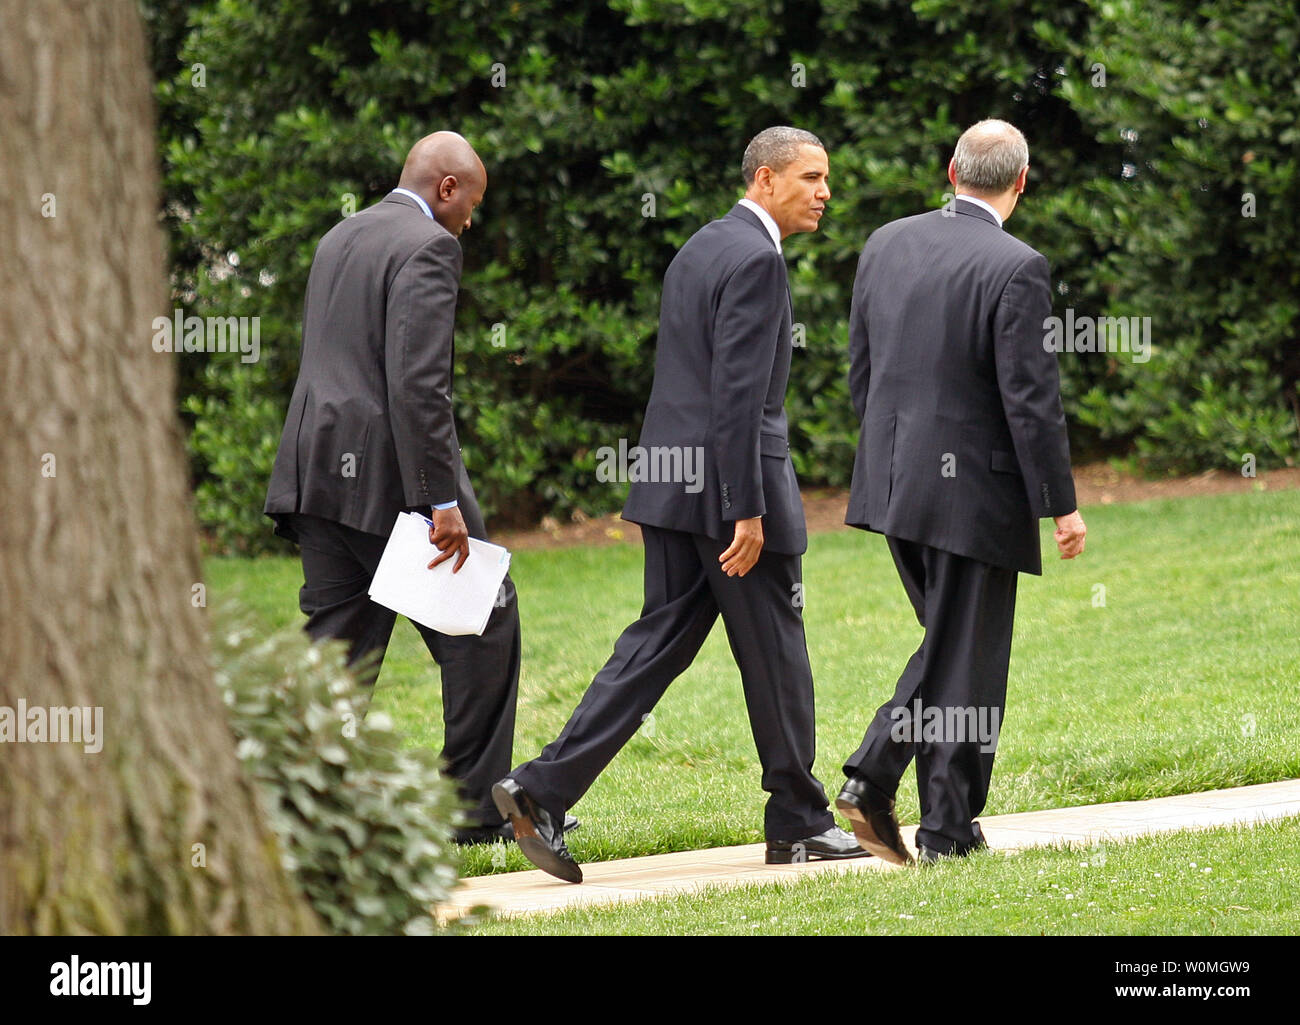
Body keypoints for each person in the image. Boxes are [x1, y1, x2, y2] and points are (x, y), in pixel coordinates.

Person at [492, 126, 867, 883]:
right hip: (730, 498)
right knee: (777, 654)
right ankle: (798, 819)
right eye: (810, 177)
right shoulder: (757, 258)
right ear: (765, 179)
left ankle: (541, 787)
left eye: (826, 178)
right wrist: (747, 509)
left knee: (656, 642)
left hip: (670, 486)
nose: (824, 192)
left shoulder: (700, 245)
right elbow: (736, 395)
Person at [834, 119, 1088, 865]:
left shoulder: (886, 241)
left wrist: (888, 457)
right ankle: (874, 775)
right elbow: (1030, 400)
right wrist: (1061, 503)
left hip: (895, 484)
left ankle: (950, 827)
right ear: (1022, 182)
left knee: (955, 652)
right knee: (961, 656)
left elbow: (862, 369)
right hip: (973, 497)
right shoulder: (1019, 266)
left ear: (952, 170)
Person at [264, 131, 525, 845]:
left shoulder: (341, 235)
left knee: (336, 654)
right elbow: (417, 385)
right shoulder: (430, 246)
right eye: (470, 203)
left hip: (314, 474)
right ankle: (474, 815)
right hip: (385, 481)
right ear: (447, 188)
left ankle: (292, 814)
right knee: (485, 620)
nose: (470, 220)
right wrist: (440, 500)